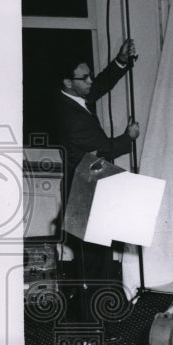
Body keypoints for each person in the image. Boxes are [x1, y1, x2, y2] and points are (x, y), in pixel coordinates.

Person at [56, 39, 140, 325]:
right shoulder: (69, 115)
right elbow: (103, 145)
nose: (90, 80)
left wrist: (120, 61)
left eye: (89, 74)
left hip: (91, 185)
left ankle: (95, 317)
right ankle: (87, 323)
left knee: (99, 257)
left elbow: (101, 85)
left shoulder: (76, 98)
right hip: (82, 192)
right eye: (84, 77)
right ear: (68, 81)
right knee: (91, 262)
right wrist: (127, 139)